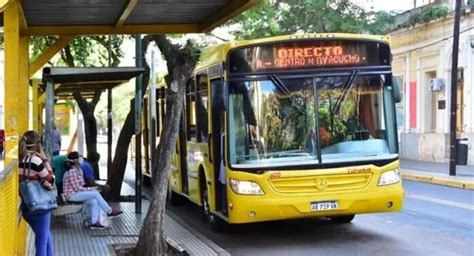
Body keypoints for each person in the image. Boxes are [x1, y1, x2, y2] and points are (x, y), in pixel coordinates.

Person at [63, 151, 122, 229]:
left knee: (94, 201)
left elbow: (81, 185)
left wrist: (90, 189)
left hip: (77, 194)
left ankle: (94, 222)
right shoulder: (71, 172)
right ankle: (109, 211)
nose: (81, 158)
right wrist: (91, 189)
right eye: (79, 157)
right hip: (71, 195)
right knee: (95, 193)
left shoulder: (79, 170)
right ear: (75, 160)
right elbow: (77, 188)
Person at [18, 130, 55, 256]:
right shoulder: (34, 160)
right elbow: (51, 179)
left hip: (27, 206)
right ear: (37, 144)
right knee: (41, 244)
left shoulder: (19, 159)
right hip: (40, 207)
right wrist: (45, 160)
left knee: (47, 239)